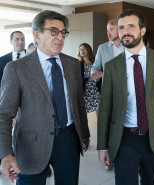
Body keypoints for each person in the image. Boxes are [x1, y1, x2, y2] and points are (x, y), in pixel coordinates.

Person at [0, 10, 90, 185]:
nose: (60, 37)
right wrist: (5, 153)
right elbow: (4, 115)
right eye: (53, 31)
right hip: (30, 145)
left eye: (63, 32)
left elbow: (79, 103)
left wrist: (84, 134)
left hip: (68, 139)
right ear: (37, 34)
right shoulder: (16, 69)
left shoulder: (72, 65)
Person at [97, 9, 154, 185]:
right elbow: (105, 109)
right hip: (124, 137)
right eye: (121, 27)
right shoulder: (111, 66)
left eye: (131, 26)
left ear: (142, 30)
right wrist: (103, 146)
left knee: (150, 181)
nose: (125, 31)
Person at [77, 43, 101, 116]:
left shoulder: (95, 63)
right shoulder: (78, 63)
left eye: (84, 49)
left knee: (99, 110)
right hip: (85, 91)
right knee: (86, 112)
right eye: (80, 49)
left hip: (96, 89)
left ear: (88, 50)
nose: (82, 51)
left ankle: (99, 126)